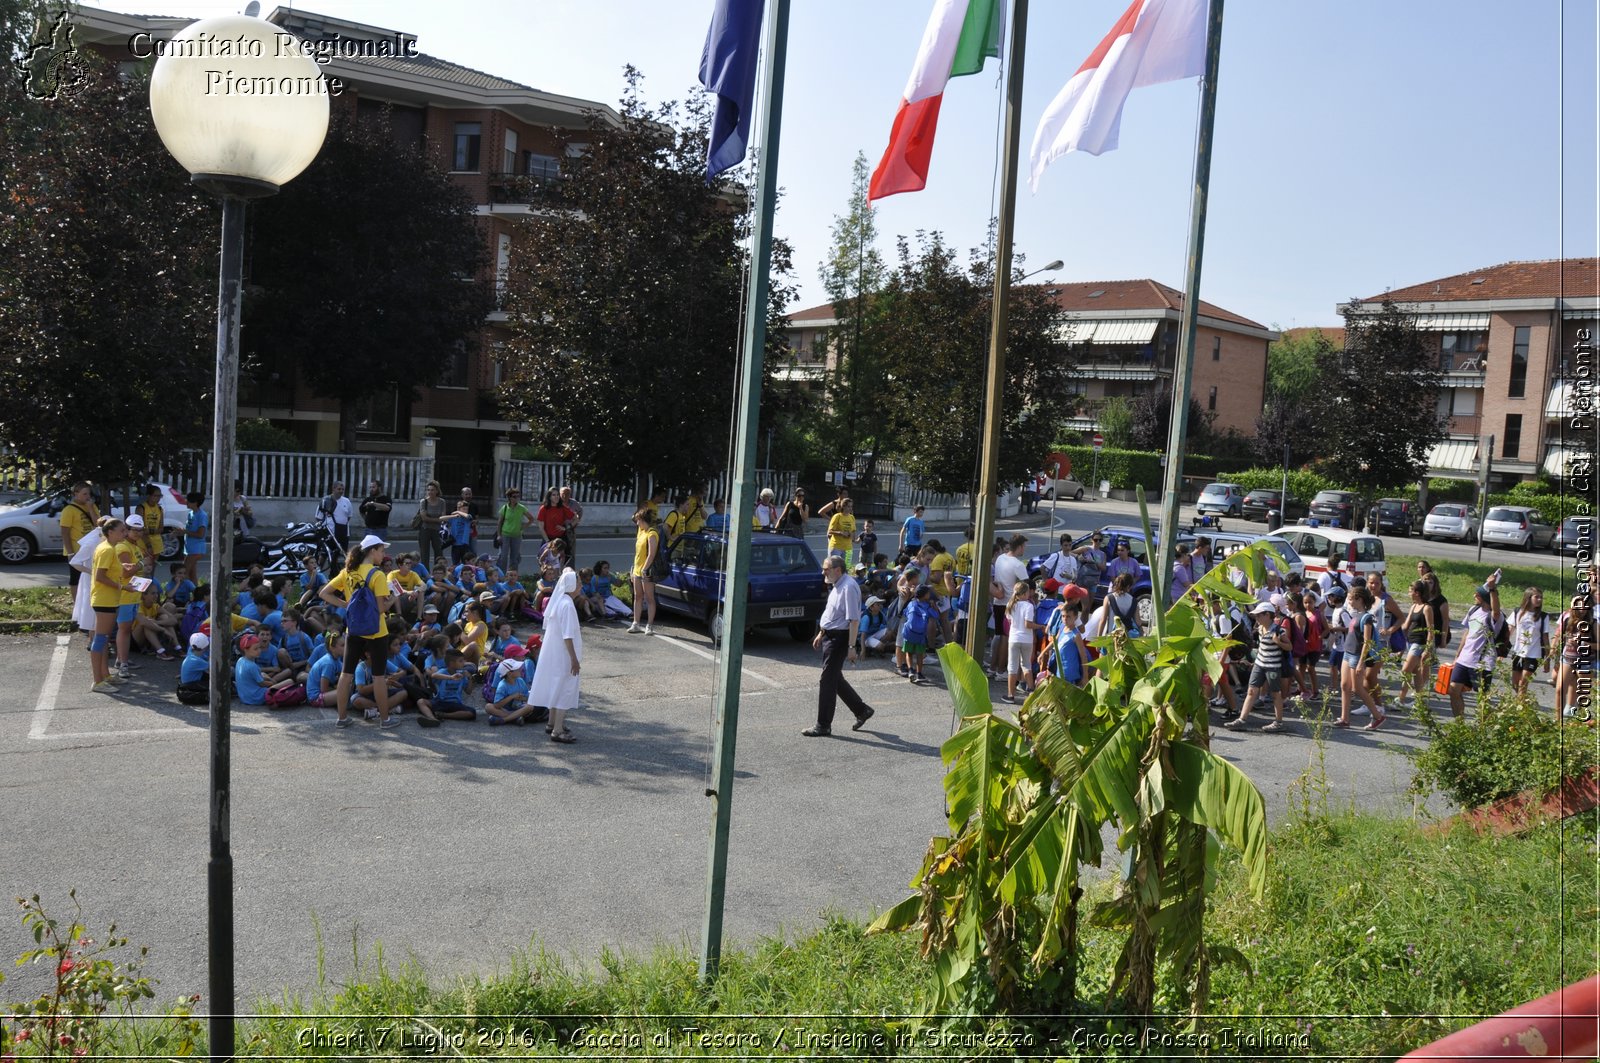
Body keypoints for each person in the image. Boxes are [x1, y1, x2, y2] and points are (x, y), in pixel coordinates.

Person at [319, 533, 399, 729]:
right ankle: (385, 720)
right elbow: (380, 609)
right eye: (381, 550)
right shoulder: (377, 575)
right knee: (379, 676)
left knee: (346, 675)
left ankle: (342, 718)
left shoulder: (348, 572)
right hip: (376, 631)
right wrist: (395, 597)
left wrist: (346, 605)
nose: (384, 554)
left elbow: (324, 593)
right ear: (372, 551)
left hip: (354, 629)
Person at [804, 555, 874, 737]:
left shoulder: (849, 587)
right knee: (835, 678)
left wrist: (852, 647)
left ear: (837, 569)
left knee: (827, 680)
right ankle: (862, 710)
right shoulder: (836, 585)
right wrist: (821, 633)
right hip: (830, 636)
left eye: (826, 568)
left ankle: (823, 725)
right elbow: (832, 613)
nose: (823, 572)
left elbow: (854, 620)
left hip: (840, 639)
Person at [526, 567, 583, 743]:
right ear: (572, 585)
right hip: (563, 655)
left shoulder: (559, 601)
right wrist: (574, 659)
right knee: (564, 689)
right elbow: (568, 635)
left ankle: (552, 723)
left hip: (555, 654)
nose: (581, 586)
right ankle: (558, 731)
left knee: (555, 686)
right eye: (579, 583)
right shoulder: (567, 605)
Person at [1226, 602, 1292, 732]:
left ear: (1267, 615)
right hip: (1259, 664)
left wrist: (1278, 642)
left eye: (1258, 616)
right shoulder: (1260, 628)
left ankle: (1278, 722)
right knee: (1251, 691)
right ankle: (1241, 719)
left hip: (1273, 666)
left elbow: (1290, 647)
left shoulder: (1279, 630)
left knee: (1275, 694)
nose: (1256, 618)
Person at [1446, 575, 1503, 718]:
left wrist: (1492, 589)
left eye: (1477, 594)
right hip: (1464, 659)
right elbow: (1467, 633)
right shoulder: (1473, 610)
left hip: (1482, 663)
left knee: (1482, 699)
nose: (1474, 595)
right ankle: (1460, 725)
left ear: (1484, 597)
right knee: (1453, 690)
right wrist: (1457, 656)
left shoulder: (1494, 616)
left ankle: (1485, 727)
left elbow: (1496, 610)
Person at [88, 518, 132, 693]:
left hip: (108, 599)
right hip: (104, 600)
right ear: (110, 532)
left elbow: (109, 571)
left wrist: (122, 567)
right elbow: (100, 577)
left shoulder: (109, 548)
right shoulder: (107, 549)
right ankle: (97, 682)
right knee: (100, 640)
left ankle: (105, 675)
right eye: (122, 530)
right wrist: (123, 586)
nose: (125, 533)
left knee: (104, 639)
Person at [1336, 584, 1386, 729]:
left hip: (1357, 656)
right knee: (1345, 686)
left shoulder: (1366, 618)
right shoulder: (1355, 614)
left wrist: (1360, 663)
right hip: (1348, 653)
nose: (1349, 602)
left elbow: (1367, 642)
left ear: (1360, 600)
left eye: (1351, 599)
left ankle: (1378, 716)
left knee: (1358, 688)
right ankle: (1345, 719)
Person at [1394, 579, 1438, 707]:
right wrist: (1392, 631)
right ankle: (1420, 701)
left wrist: (1428, 649)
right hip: (1410, 642)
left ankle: (1400, 699)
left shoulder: (1427, 608)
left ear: (1417, 593)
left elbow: (1431, 630)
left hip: (1420, 643)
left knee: (1405, 669)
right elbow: (1405, 626)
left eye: (1410, 591)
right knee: (1415, 672)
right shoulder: (1414, 606)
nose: (1408, 593)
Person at [1001, 580, 1043, 705]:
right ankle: (1031, 691)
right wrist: (1040, 626)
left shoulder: (1010, 604)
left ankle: (1010, 695)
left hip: (1014, 638)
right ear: (1025, 594)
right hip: (1026, 639)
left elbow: (1010, 621)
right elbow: (1028, 624)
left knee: (1012, 667)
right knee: (1026, 665)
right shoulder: (1029, 606)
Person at [1507, 587, 1550, 696]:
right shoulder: (1517, 612)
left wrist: (1547, 660)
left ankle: (1521, 709)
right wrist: (1501, 649)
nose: (1540, 600)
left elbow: (1545, 638)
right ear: (1528, 598)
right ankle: (1524, 701)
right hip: (1518, 652)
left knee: (1523, 683)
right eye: (1537, 597)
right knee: (1515, 683)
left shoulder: (1543, 616)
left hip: (1533, 654)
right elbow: (1509, 631)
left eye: (1541, 597)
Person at [59, 482, 99, 591]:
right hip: (76, 550)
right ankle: (76, 604)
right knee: (75, 579)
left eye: (89, 494)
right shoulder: (69, 510)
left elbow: (98, 524)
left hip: (91, 549)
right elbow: (65, 532)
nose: (88, 497)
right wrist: (71, 553)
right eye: (84, 494)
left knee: (90, 577)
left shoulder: (92, 506)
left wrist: (91, 508)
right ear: (75, 494)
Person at [899, 585, 938, 686]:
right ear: (925, 595)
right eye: (928, 593)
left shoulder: (911, 603)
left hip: (909, 632)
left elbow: (905, 613)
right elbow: (936, 615)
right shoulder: (927, 606)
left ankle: (910, 670)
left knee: (909, 653)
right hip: (920, 635)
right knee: (920, 655)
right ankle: (919, 673)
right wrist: (934, 606)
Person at [628, 509, 659, 634]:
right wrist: (634, 569)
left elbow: (651, 554)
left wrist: (644, 569)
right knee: (638, 597)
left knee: (649, 598)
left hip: (646, 571)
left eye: (638, 520)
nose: (636, 523)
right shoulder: (641, 532)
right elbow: (638, 554)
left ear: (643, 520)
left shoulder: (652, 534)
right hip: (637, 570)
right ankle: (635, 623)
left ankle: (649, 625)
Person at [493, 488, 532, 573]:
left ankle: (513, 575)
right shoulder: (505, 508)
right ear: (509, 498)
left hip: (517, 536)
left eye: (518, 496)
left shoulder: (521, 508)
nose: (516, 498)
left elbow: (531, 519)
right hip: (505, 534)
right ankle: (501, 576)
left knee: (514, 557)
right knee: (503, 556)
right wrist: (499, 535)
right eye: (514, 496)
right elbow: (499, 522)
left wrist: (523, 527)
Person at [415, 480, 448, 569]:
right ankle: (425, 574)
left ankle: (438, 571)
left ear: (437, 491)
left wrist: (434, 519)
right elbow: (424, 518)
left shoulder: (442, 502)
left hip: (437, 530)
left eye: (432, 490)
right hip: (425, 529)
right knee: (424, 553)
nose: (430, 492)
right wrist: (437, 519)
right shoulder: (424, 502)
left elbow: (443, 517)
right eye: (428, 490)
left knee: (439, 552)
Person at [183, 491, 208, 583]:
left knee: (183, 573)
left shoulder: (202, 515)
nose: (186, 502)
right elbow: (189, 529)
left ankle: (182, 593)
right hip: (189, 549)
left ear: (196, 503)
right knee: (192, 574)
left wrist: (185, 531)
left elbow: (200, 534)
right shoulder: (191, 513)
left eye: (189, 501)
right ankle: (196, 594)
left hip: (196, 549)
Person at [319, 482, 352, 551]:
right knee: (325, 553)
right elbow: (319, 517)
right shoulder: (325, 500)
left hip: (343, 532)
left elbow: (349, 516)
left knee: (343, 553)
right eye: (339, 489)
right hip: (329, 533)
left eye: (343, 489)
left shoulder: (347, 501)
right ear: (333, 489)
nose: (341, 491)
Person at [558, 485, 584, 563]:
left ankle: (570, 569)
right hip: (558, 529)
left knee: (570, 551)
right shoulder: (557, 502)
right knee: (558, 550)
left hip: (569, 529)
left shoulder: (574, 503)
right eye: (563, 493)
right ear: (560, 494)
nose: (565, 495)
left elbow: (580, 511)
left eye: (568, 494)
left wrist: (576, 522)